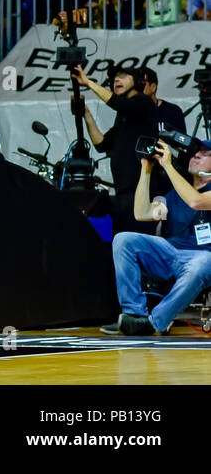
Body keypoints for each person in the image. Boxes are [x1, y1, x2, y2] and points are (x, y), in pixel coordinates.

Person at [103, 139, 211, 335]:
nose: (196, 155)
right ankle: (134, 316)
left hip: (203, 257)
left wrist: (168, 166)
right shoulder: (173, 195)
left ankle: (154, 323)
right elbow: (142, 213)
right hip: (170, 254)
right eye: (196, 152)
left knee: (203, 261)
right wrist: (146, 169)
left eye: (206, 153)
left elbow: (196, 202)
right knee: (124, 240)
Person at [74, 66, 159, 236]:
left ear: (138, 81)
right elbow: (102, 144)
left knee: (136, 240)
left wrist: (88, 82)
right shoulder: (124, 116)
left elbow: (118, 104)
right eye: (114, 79)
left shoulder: (144, 103)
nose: (116, 81)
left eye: (122, 76)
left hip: (140, 191)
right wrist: (86, 115)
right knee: (120, 241)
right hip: (122, 192)